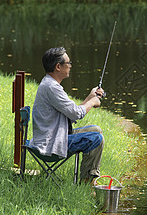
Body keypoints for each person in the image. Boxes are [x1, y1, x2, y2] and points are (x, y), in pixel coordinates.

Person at [29, 47, 105, 184]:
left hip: (52, 137)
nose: (70, 66)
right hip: (49, 145)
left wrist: (90, 97)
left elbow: (71, 113)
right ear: (58, 66)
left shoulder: (49, 84)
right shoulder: (52, 88)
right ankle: (87, 184)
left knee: (96, 130)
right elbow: (76, 113)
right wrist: (93, 102)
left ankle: (90, 179)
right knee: (96, 138)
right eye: (68, 63)